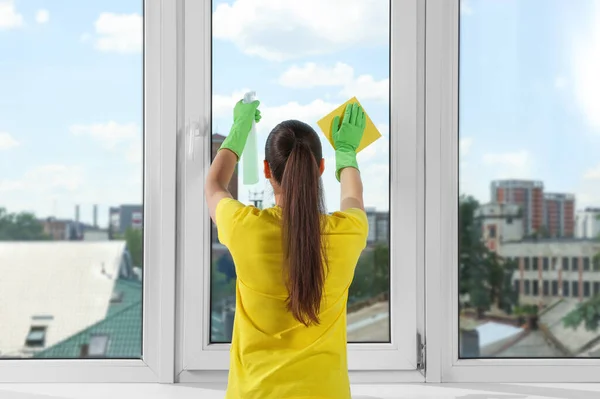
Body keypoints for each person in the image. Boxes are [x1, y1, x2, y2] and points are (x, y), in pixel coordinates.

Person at [205, 98, 368, 399]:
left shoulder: (245, 227)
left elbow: (214, 185)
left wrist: (239, 131)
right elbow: (353, 199)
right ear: (319, 168)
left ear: (268, 170)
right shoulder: (348, 232)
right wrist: (347, 153)